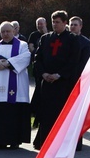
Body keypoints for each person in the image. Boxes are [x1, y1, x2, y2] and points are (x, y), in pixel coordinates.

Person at [33, 10, 82, 150]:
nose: (55, 25)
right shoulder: (46, 38)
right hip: (47, 83)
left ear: (65, 23)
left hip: (63, 84)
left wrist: (59, 75)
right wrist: (43, 74)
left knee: (61, 114)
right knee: (46, 114)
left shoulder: (73, 39)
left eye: (58, 22)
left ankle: (61, 144)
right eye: (53, 22)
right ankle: (45, 143)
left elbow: (74, 62)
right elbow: (37, 59)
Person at [0, 21, 32, 150]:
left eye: (8, 31)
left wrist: (9, 63)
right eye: (3, 32)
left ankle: (14, 140)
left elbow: (26, 57)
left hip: (16, 89)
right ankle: (0, 140)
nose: (6, 34)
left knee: (13, 114)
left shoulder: (22, 45)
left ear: (14, 31)